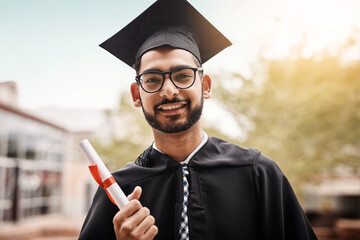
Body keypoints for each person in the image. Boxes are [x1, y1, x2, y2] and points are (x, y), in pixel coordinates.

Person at [79, 0, 318, 239]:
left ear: (205, 86)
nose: (169, 90)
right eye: (152, 79)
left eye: (182, 76)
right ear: (136, 95)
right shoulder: (118, 191)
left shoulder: (258, 174)